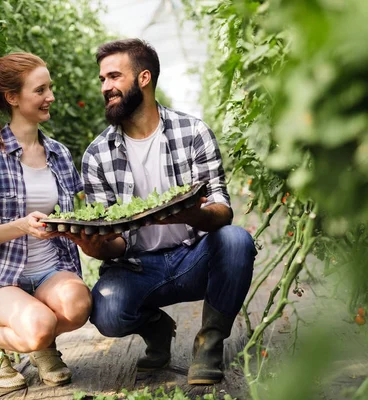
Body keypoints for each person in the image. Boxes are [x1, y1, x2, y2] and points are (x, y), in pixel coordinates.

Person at [64, 39, 256, 385]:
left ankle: (210, 343)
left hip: (193, 257)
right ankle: (156, 328)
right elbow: (115, 240)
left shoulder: (193, 133)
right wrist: (97, 246)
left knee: (236, 241)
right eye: (102, 79)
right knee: (107, 311)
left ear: (144, 78)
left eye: (113, 76)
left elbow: (222, 210)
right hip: (139, 267)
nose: (106, 87)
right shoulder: (97, 154)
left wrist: (190, 215)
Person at [0, 53, 91, 393]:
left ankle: (41, 340)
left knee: (79, 305)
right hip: (2, 280)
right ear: (13, 98)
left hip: (50, 269)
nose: (50, 97)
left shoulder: (59, 154)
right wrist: (21, 225)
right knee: (38, 325)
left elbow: (73, 213)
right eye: (41, 90)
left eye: (50, 88)